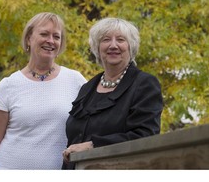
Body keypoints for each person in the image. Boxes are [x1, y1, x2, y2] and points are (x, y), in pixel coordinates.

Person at [0, 12, 87, 170]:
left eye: (56, 36)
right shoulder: (8, 85)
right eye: (44, 34)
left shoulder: (76, 81)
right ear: (29, 38)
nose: (50, 41)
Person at [62, 17, 163, 169]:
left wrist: (93, 145)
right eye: (106, 40)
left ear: (131, 47)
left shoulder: (144, 84)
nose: (113, 45)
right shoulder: (87, 88)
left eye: (121, 40)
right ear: (97, 47)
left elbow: (145, 136)